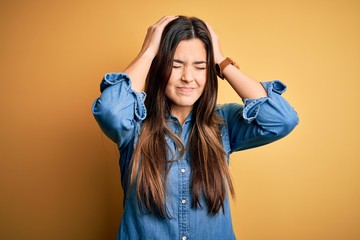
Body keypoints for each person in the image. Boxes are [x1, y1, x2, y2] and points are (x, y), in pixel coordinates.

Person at [92, 15, 298, 240]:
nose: (188, 77)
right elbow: (109, 110)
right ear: (159, 68)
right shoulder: (135, 124)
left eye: (200, 67)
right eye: (175, 65)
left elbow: (282, 120)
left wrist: (221, 60)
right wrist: (149, 52)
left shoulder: (224, 122)